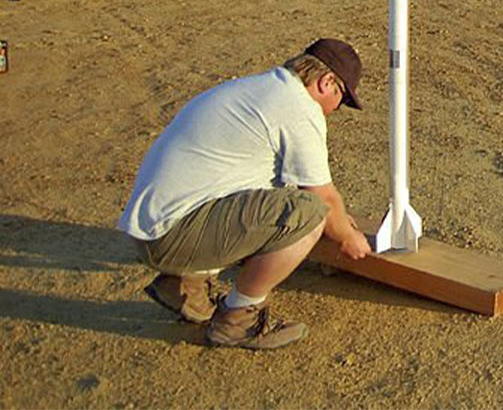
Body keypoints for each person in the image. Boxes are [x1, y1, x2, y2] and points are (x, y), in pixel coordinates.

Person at [118, 38, 373, 349]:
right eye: (341, 98)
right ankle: (238, 318)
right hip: (170, 236)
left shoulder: (262, 90)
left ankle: (185, 283)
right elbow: (321, 197)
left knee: (281, 195)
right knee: (307, 213)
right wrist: (348, 238)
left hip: (158, 227)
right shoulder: (298, 107)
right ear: (326, 82)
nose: (336, 109)